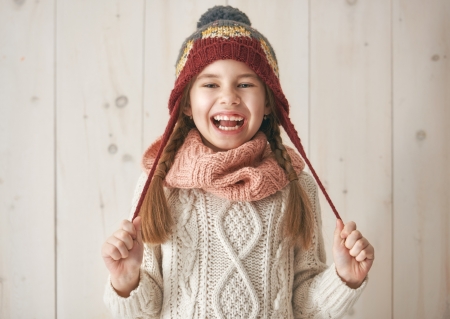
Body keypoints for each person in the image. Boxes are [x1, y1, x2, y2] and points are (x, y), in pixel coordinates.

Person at [102, 5, 374, 319]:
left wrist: (345, 278)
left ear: (269, 103)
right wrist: (126, 280)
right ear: (187, 104)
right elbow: (145, 309)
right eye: (210, 84)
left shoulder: (295, 185)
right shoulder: (160, 183)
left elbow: (304, 306)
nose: (229, 97)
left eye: (245, 84)